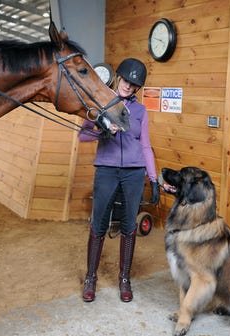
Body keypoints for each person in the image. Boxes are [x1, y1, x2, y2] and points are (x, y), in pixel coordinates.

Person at [78, 58, 160, 303]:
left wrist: (153, 178)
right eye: (126, 81)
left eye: (134, 84)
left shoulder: (140, 110)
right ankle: (90, 278)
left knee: (129, 226)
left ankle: (124, 279)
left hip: (134, 173)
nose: (128, 87)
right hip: (106, 169)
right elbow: (83, 136)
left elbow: (144, 144)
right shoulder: (100, 102)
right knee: (99, 224)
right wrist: (100, 130)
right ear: (118, 78)